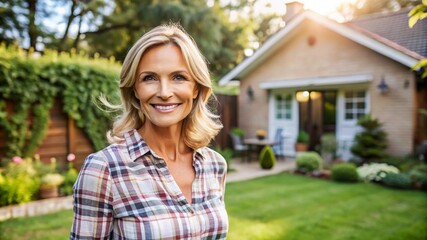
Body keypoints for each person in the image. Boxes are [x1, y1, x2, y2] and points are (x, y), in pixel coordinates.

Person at [70, 23, 228, 239]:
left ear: (196, 88)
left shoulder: (215, 165)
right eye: (149, 78)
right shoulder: (104, 170)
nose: (164, 92)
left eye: (178, 77)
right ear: (135, 90)